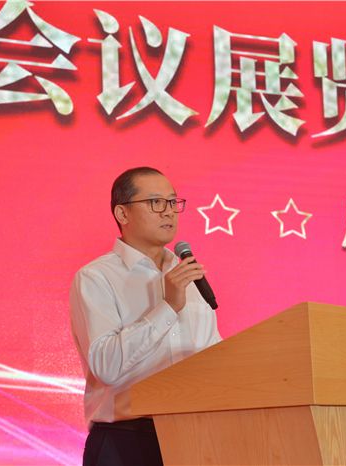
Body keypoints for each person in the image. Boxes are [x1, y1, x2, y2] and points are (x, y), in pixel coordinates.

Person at [70, 167, 222, 466]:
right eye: (155, 202)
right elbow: (106, 367)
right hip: (125, 442)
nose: (169, 211)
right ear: (122, 213)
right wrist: (168, 307)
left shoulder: (187, 274)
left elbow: (211, 354)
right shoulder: (97, 277)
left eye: (173, 202)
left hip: (194, 437)